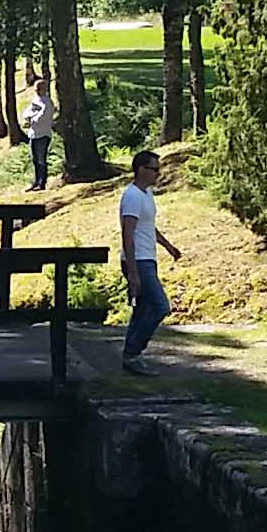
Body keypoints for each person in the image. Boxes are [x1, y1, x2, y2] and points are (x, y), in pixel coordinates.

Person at [118, 147, 182, 377]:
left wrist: (168, 246)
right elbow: (128, 232)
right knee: (159, 305)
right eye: (154, 169)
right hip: (138, 261)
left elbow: (148, 227)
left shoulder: (146, 194)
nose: (158, 173)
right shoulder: (132, 196)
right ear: (141, 170)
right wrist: (133, 271)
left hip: (148, 258)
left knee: (143, 307)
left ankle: (130, 356)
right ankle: (133, 352)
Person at [21, 69, 57, 192]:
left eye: (38, 90)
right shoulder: (35, 100)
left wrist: (31, 119)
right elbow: (26, 113)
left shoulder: (47, 104)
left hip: (43, 134)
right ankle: (35, 182)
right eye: (35, 90)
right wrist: (30, 117)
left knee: (41, 160)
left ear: (44, 89)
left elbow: (41, 118)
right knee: (34, 159)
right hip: (33, 134)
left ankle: (42, 183)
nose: (36, 92)